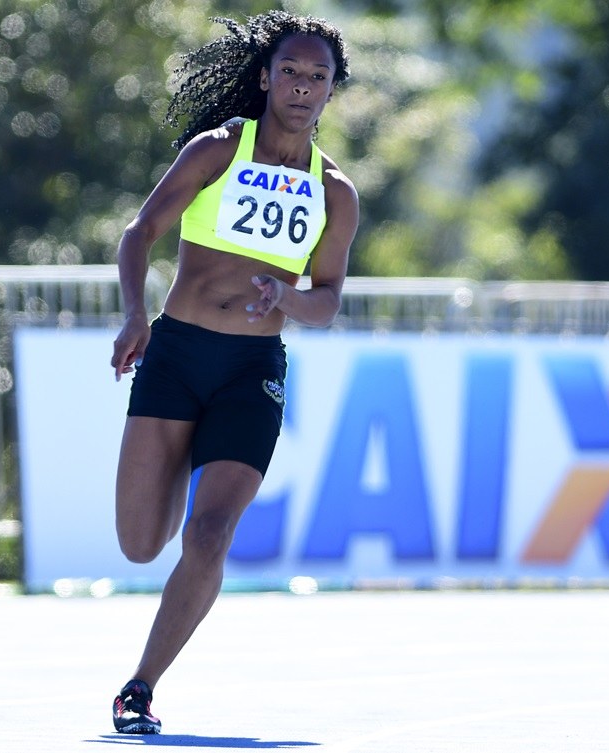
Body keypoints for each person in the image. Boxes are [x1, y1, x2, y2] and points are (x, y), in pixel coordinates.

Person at [107, 10, 357, 735]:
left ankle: (139, 687)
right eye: (291, 72)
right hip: (178, 355)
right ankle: (174, 457)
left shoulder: (335, 192)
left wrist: (287, 296)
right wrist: (133, 314)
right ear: (265, 78)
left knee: (210, 533)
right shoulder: (218, 151)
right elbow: (139, 233)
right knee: (139, 543)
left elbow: (330, 301)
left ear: (332, 92)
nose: (303, 87)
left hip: (252, 369)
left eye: (319, 77)